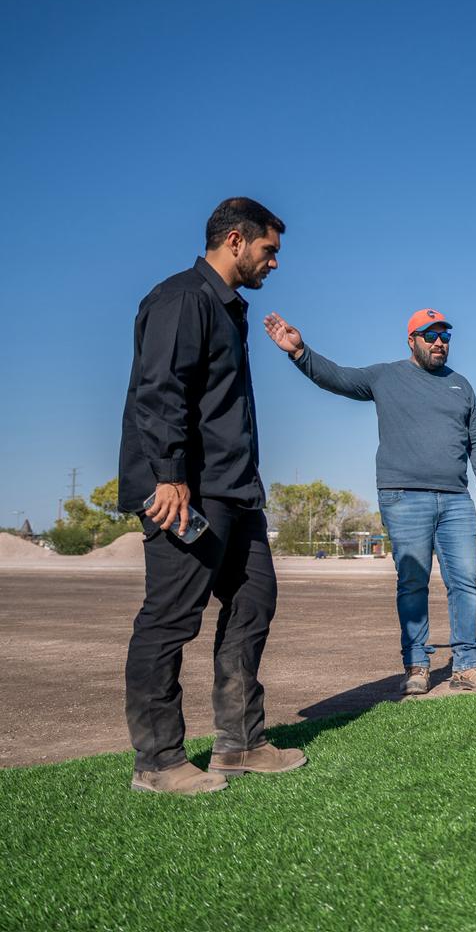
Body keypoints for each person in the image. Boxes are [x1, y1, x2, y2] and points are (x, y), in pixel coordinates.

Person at [119, 197, 306, 794]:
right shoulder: (183, 298)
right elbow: (161, 391)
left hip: (235, 490)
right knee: (171, 620)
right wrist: (170, 475)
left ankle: (240, 744)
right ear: (235, 241)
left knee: (255, 601)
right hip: (189, 492)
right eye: (268, 251)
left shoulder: (229, 310)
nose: (274, 263)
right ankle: (159, 761)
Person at [263, 307, 476, 696]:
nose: (440, 342)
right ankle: (417, 665)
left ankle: (468, 665)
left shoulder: (461, 385)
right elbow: (337, 378)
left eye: (445, 336)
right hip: (404, 496)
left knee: (466, 583)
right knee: (412, 582)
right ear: (412, 341)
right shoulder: (385, 376)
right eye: (431, 335)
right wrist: (300, 352)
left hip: (457, 499)